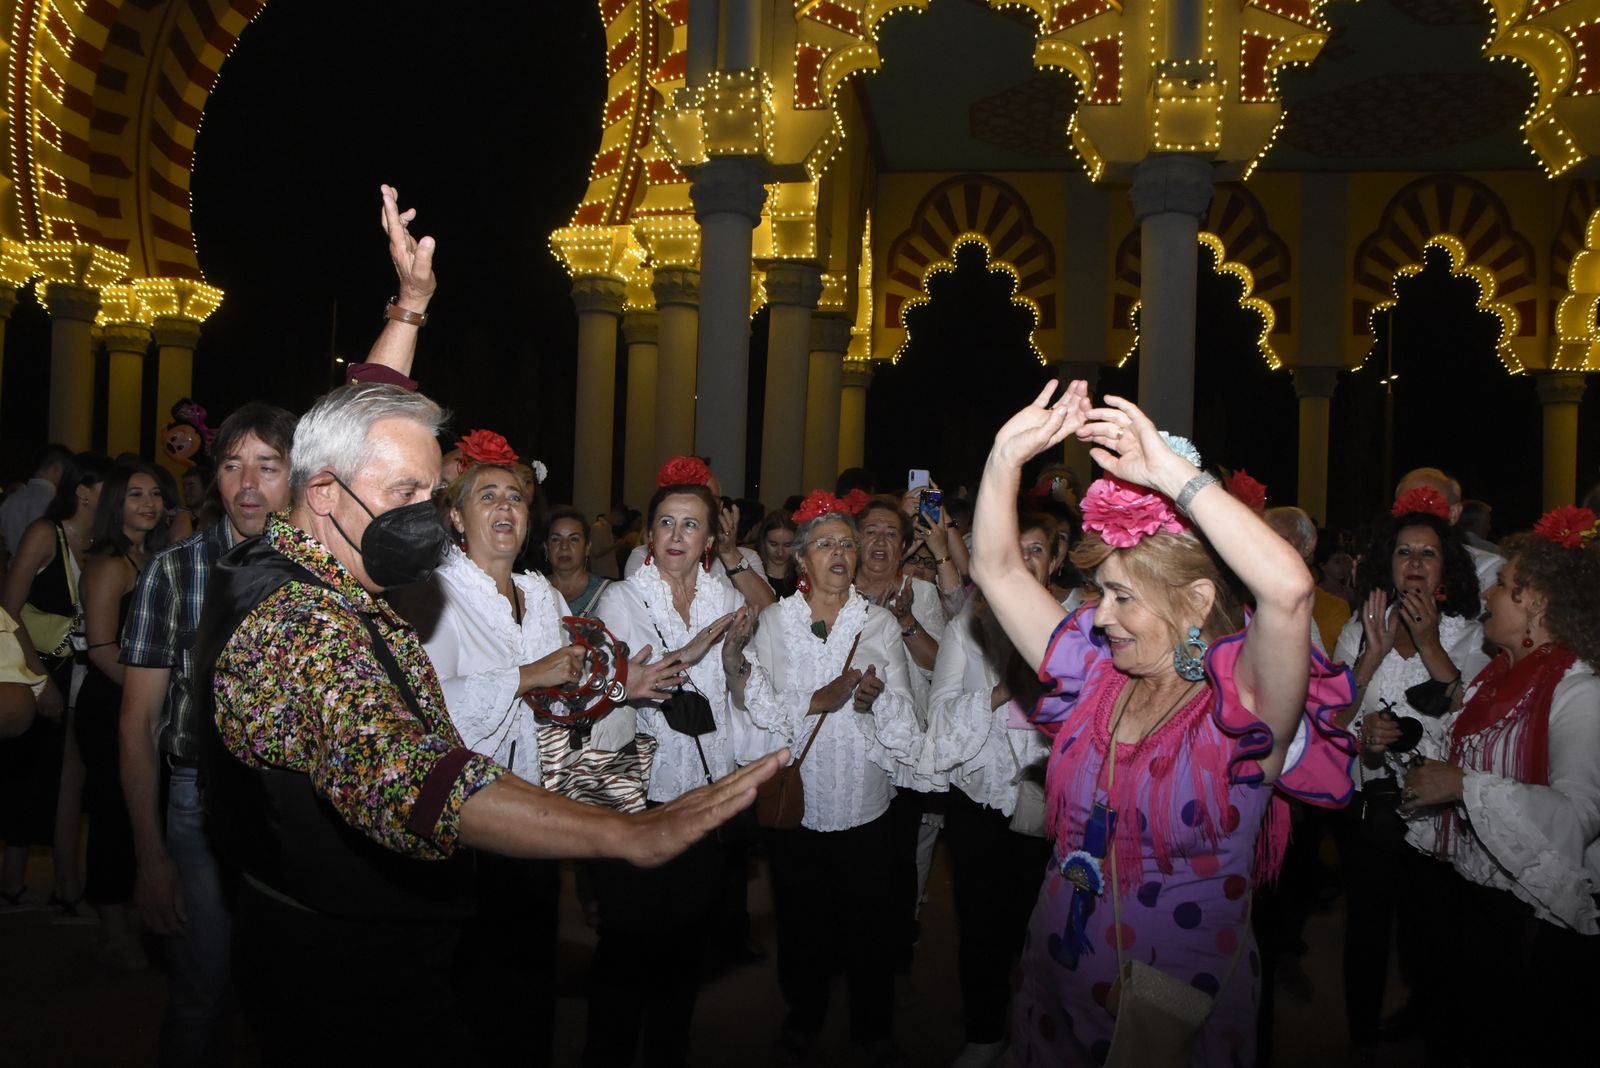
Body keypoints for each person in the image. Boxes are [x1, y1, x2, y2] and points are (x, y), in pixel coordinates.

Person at [201, 382, 782, 1064]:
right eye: (414, 493)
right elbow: (401, 762)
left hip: (520, 830)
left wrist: (629, 680)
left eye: (511, 496)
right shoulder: (359, 602)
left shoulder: (528, 595)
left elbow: (570, 689)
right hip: (371, 902)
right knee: (468, 1008)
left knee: (523, 1004)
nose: (423, 509)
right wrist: (625, 829)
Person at [116, 182, 440, 1065]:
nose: (254, 484)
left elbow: (369, 412)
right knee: (208, 992)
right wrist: (150, 855)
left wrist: (408, 308)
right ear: (216, 475)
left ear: (308, 486)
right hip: (205, 806)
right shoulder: (202, 574)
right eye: (236, 467)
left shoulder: (321, 546)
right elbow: (137, 722)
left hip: (302, 828)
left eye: (275, 467)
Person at [969, 382, 1356, 1066]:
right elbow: (996, 569)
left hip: (1167, 1020)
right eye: (1099, 594)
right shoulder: (1094, 675)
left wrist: (1170, 477)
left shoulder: (1241, 718)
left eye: (1123, 597)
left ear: (1197, 601)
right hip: (1054, 988)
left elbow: (1289, 592)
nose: (1099, 616)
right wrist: (1005, 455)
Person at [1389, 512, 1600, 1066]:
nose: (1489, 590)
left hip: (1532, 926)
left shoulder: (1579, 691)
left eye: (1505, 585)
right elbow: (1468, 748)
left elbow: (1579, 817)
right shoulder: (1496, 672)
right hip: (1478, 907)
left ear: (1539, 604)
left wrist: (1464, 785)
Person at [727, 489, 921, 1064]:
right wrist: (820, 698)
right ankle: (803, 1015)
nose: (839, 553)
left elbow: (905, 717)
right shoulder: (776, 623)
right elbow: (756, 707)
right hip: (800, 804)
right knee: (801, 919)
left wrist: (871, 701)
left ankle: (871, 1025)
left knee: (870, 924)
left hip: (866, 803)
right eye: (825, 545)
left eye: (847, 544)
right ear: (803, 560)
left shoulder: (879, 624)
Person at [584, 480, 752, 1068]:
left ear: (709, 538)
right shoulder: (621, 600)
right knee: (627, 941)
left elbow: (734, 696)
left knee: (685, 941)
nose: (677, 535)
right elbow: (624, 685)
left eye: (690, 525)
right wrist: (694, 650)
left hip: (703, 789)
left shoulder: (721, 595)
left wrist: (730, 660)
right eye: (666, 523)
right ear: (649, 535)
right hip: (639, 793)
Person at [1331, 492, 1488, 1058]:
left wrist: (1426, 643)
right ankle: (1360, 1035)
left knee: (1432, 931)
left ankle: (1427, 1023)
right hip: (1368, 807)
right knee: (1367, 929)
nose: (1416, 562)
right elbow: (1331, 721)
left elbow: (1475, 723)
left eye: (1429, 552)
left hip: (1440, 810)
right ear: (1387, 564)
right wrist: (1370, 659)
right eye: (1404, 552)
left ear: (1446, 570)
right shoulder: (1357, 628)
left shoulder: (1467, 636)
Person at [920, 512, 1062, 1067]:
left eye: (1036, 549)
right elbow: (942, 726)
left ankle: (1038, 1035)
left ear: (1054, 559)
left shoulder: (1083, 626)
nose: (1024, 560)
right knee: (981, 926)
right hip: (979, 801)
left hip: (1054, 801)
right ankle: (984, 1033)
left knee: (1047, 927)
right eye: (1013, 548)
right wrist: (1004, 691)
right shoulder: (967, 627)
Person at [0, 451, 110, 916]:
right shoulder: (46, 533)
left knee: (65, 780)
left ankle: (67, 888)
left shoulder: (104, 541)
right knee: (31, 776)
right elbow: (7, 608)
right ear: (83, 491)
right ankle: (14, 885)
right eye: (112, 489)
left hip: (82, 670)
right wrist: (39, 681)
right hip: (37, 669)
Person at [78, 460, 173, 966]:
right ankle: (112, 928)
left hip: (141, 701)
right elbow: (98, 647)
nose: (149, 503)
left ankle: (139, 915)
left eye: (156, 494)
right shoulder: (108, 563)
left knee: (144, 811)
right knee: (114, 814)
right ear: (116, 503)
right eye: (136, 494)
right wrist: (158, 692)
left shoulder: (151, 558)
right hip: (111, 700)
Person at [621, 457, 775, 611]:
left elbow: (769, 615)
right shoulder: (644, 557)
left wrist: (730, 554)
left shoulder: (746, 558)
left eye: (707, 497)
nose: (694, 504)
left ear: (720, 506)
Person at [1395, 467, 1502, 595]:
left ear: (1454, 514)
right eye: (1409, 510)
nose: (1419, 521)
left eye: (1429, 508)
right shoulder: (1381, 567)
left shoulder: (1487, 569)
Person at [1264, 505, 1350, 653]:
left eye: (1282, 540)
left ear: (1309, 546)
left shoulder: (1326, 605)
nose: (1271, 548)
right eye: (1265, 538)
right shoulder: (1249, 597)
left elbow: (1318, 670)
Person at [1, 443, 72, 558]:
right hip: (44, 571)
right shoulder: (56, 501)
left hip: (12, 569)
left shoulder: (11, 499)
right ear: (56, 469)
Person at [546, 505, 611, 616]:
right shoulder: (531, 592)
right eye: (556, 539)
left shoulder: (608, 594)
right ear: (546, 548)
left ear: (587, 548)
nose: (564, 546)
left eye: (574, 539)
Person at [753, 509, 799, 598]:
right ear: (763, 541)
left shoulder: (801, 577)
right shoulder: (752, 573)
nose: (780, 552)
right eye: (773, 544)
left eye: (787, 545)